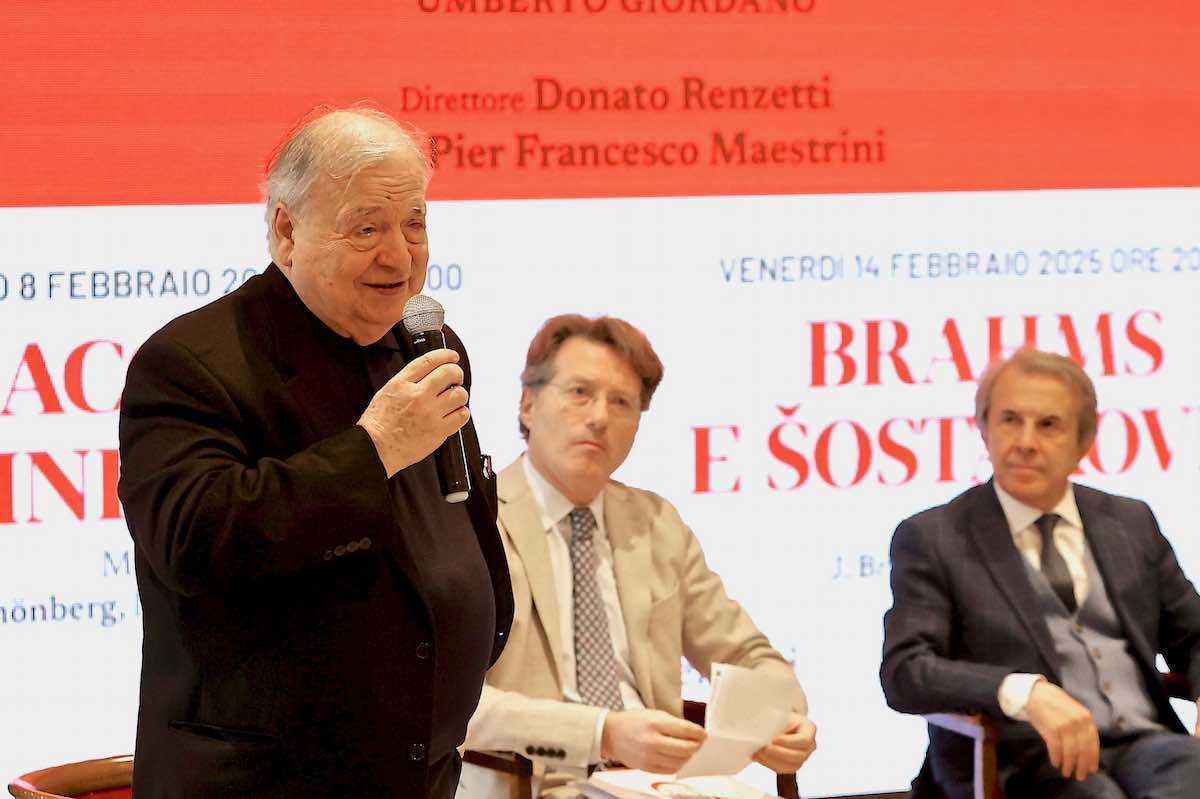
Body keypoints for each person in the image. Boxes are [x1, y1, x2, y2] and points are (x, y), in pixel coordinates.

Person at [118, 107, 513, 799]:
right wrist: (374, 448)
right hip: (262, 784)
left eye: (414, 223)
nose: (400, 255)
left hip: (422, 776)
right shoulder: (189, 363)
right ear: (285, 230)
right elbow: (194, 539)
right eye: (367, 228)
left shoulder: (428, 348)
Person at [457, 314, 815, 797]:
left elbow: (748, 654)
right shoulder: (474, 522)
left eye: (621, 402)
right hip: (536, 781)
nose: (600, 416)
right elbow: (452, 702)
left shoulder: (655, 524)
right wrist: (601, 731)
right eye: (580, 392)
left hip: (660, 785)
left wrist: (783, 716)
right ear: (528, 404)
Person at [881, 348, 1200, 798]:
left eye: (1048, 425)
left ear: (1083, 440)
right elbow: (905, 671)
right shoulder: (934, 537)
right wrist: (1021, 692)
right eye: (1010, 420)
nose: (1026, 441)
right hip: (1021, 761)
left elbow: (1193, 635)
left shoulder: (1129, 522)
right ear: (985, 428)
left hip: (1145, 744)